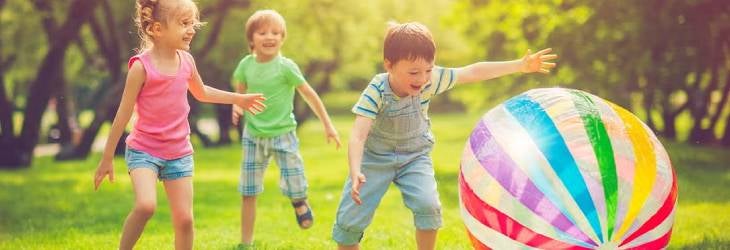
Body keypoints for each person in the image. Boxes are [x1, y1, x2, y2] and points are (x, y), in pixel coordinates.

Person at [332, 22, 558, 250]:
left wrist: (519, 65)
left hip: (414, 157)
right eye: (413, 72)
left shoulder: (431, 80)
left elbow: (472, 71)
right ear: (388, 65)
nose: (422, 78)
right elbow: (358, 135)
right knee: (350, 220)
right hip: (374, 160)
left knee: (429, 206)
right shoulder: (377, 90)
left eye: (428, 70)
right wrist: (356, 170)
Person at [93, 0, 266, 249]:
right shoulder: (141, 67)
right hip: (144, 150)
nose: (192, 29)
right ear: (156, 29)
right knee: (146, 206)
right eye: (184, 23)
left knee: (185, 220)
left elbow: (202, 92)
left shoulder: (186, 61)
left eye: (193, 23)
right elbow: (123, 113)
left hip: (178, 153)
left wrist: (238, 98)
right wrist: (107, 157)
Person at [230, 9, 341, 248]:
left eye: (276, 32)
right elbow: (240, 91)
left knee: (296, 184)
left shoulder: (286, 67)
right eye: (262, 32)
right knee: (248, 191)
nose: (270, 36)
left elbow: (310, 95)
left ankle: (299, 201)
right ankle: (245, 242)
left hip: (283, 135)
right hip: (254, 137)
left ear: (282, 38)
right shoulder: (245, 65)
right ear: (251, 39)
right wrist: (237, 107)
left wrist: (328, 125)